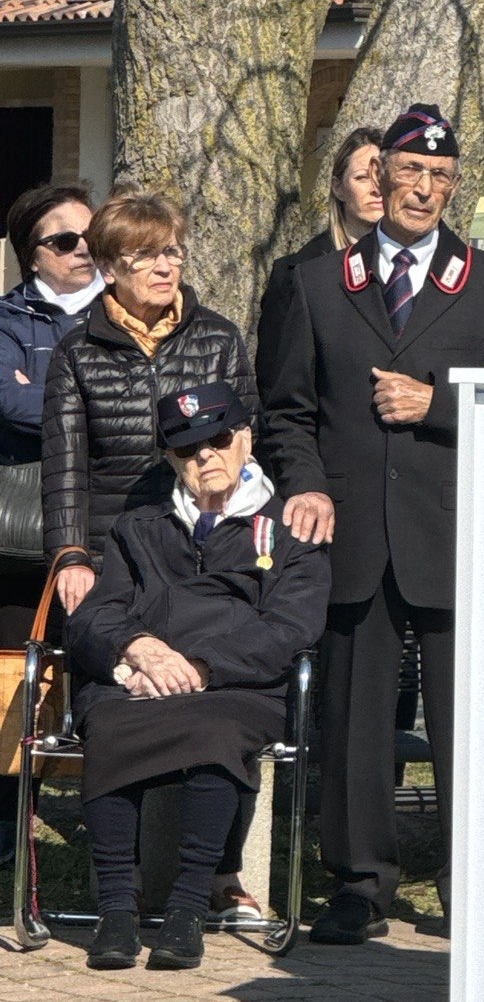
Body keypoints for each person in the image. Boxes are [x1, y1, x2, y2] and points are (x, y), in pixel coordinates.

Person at [260, 103, 484, 943]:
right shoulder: (315, 284)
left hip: (452, 530)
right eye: (410, 171)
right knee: (354, 720)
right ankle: (359, 883)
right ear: (379, 176)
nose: (423, 189)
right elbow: (285, 412)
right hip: (351, 531)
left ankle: (471, 881)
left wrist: (437, 405)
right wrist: (307, 486)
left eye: (440, 177)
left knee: (465, 720)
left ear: (455, 187)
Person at [40, 187, 263, 919]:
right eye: (145, 256)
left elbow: (248, 445)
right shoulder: (76, 351)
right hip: (115, 552)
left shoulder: (218, 337)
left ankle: (219, 875)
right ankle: (124, 878)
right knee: (124, 698)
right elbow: (65, 468)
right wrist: (72, 556)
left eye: (171, 251)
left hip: (202, 544)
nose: (165, 267)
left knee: (218, 694)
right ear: (110, 268)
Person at [66, 381, 329, 970]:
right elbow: (96, 614)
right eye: (188, 448)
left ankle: (188, 908)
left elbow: (291, 626)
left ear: (246, 439)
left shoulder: (289, 530)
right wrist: (137, 648)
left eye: (219, 439)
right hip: (139, 679)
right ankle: (116, 909)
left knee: (215, 732)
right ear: (171, 459)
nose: (206, 455)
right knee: (107, 723)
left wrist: (201, 667)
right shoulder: (139, 528)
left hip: (236, 685)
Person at [0, 182, 103, 864]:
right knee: (15, 676)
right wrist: (101, 408)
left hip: (109, 520)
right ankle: (8, 834)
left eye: (91, 235)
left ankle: (111, 833)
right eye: (64, 240)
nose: (83, 249)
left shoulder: (128, 311)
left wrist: (45, 398)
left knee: (103, 669)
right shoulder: (7, 319)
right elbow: (5, 403)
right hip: (24, 532)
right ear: (31, 254)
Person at [256, 126, 383, 402]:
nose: (376, 189)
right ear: (338, 187)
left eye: (382, 177)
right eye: (362, 177)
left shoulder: (412, 269)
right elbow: (275, 383)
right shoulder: (297, 274)